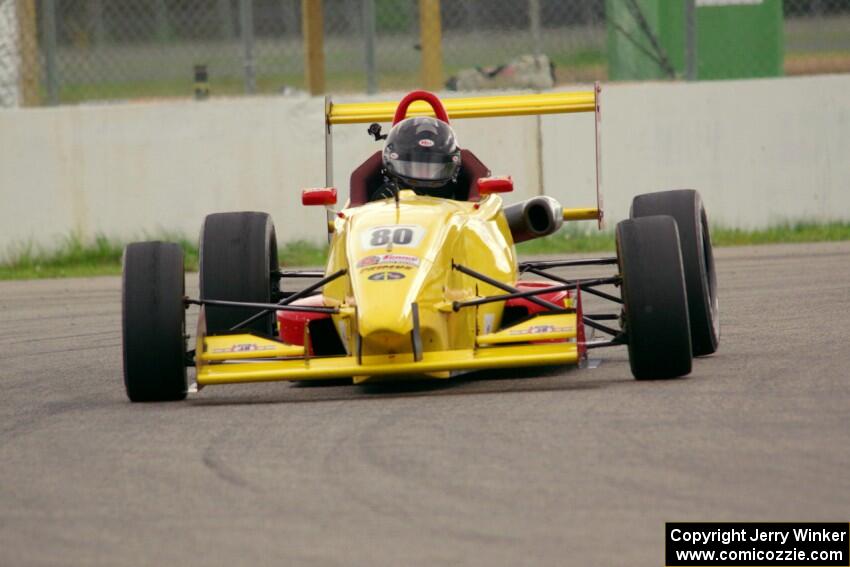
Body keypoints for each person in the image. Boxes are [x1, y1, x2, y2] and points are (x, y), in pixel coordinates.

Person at [371, 116, 463, 201]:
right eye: (417, 168)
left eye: (433, 169)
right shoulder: (386, 194)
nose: (424, 176)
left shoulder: (462, 188)